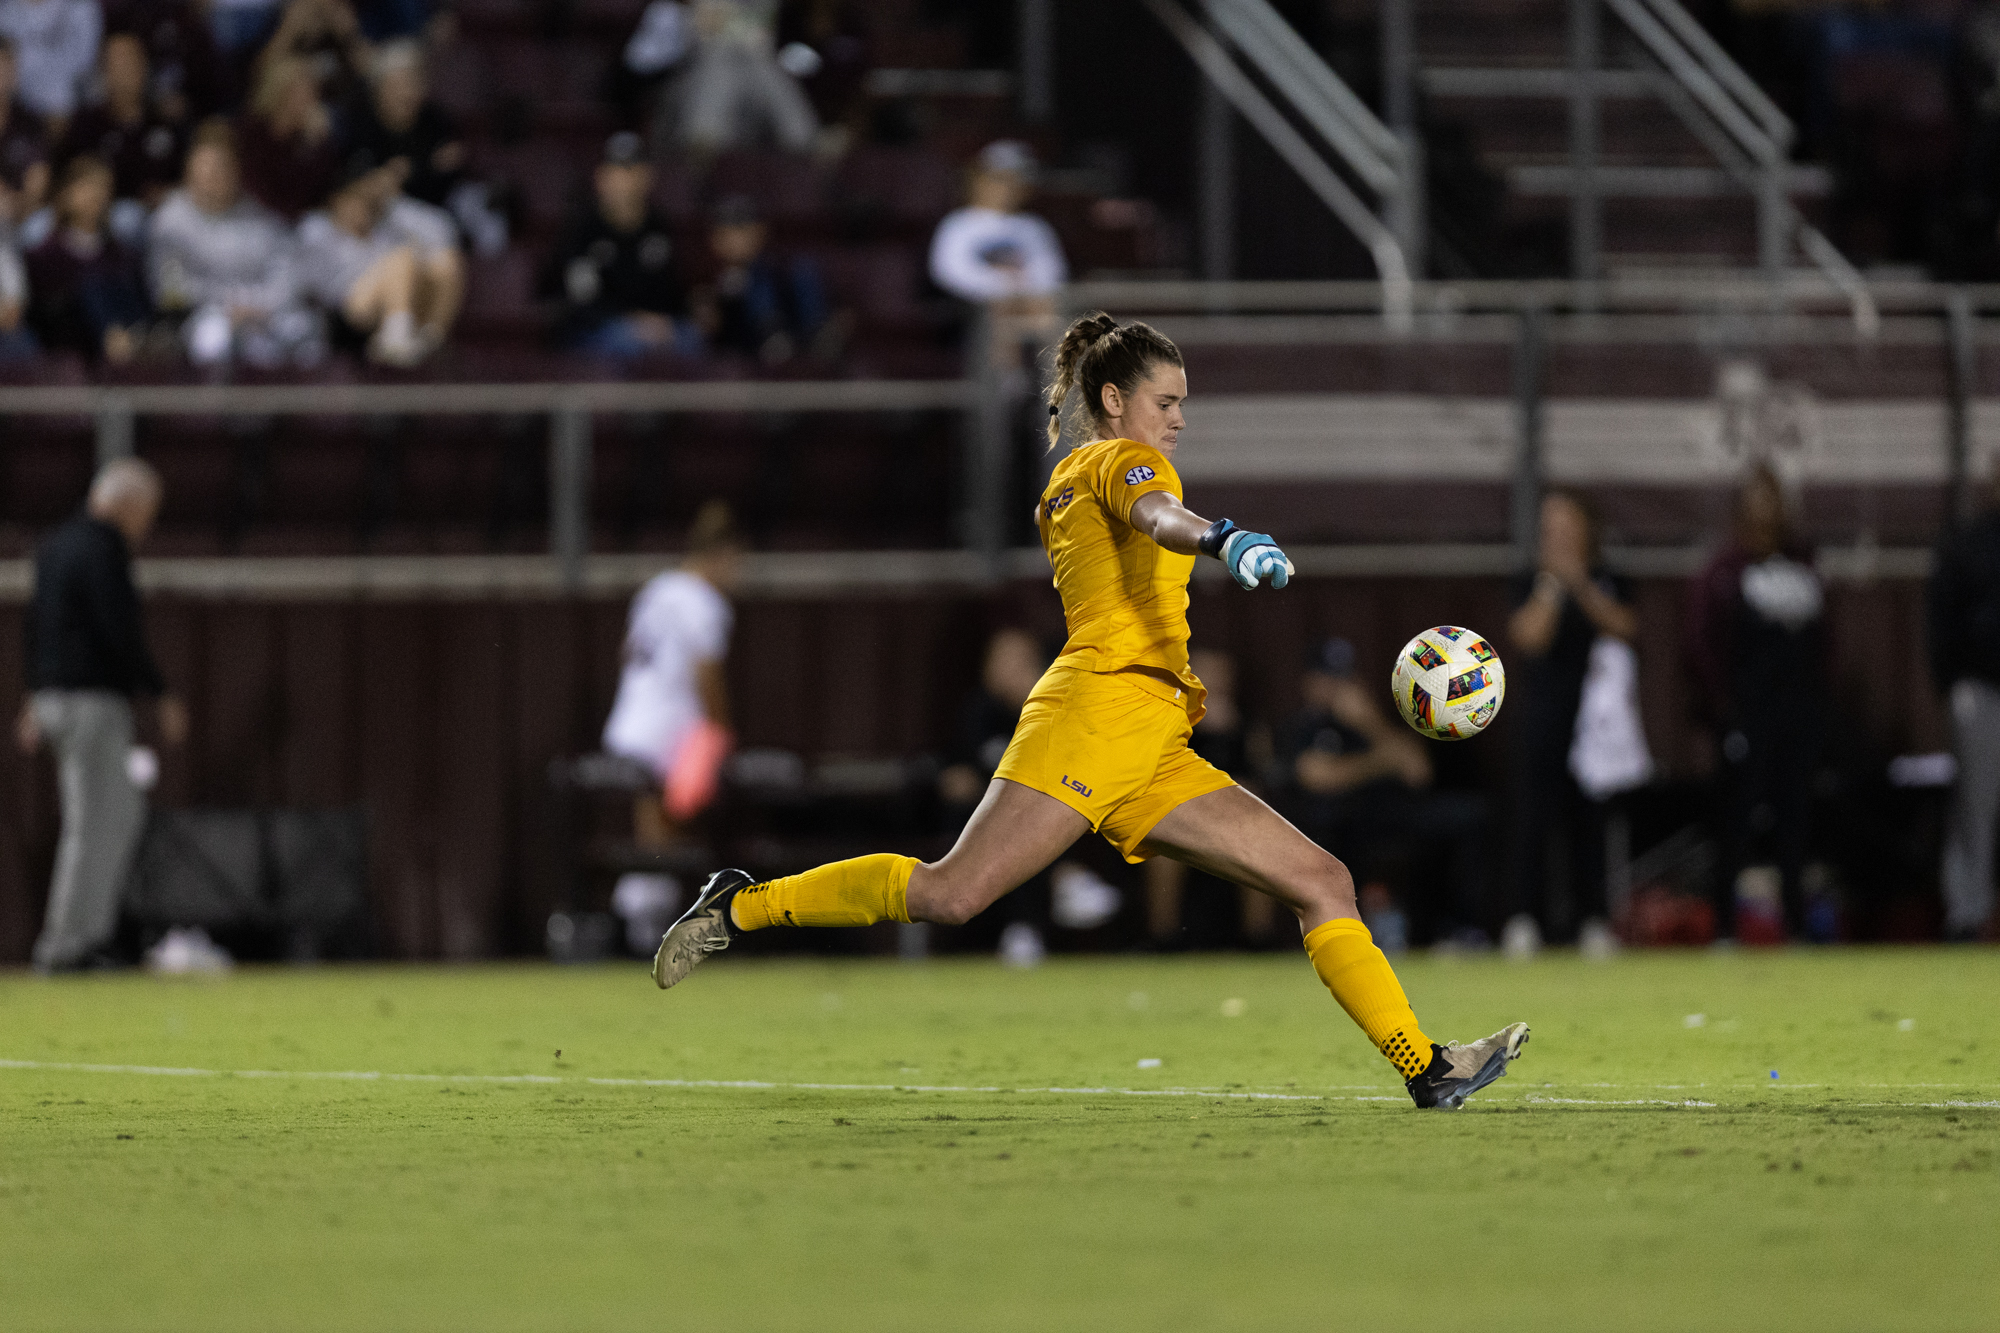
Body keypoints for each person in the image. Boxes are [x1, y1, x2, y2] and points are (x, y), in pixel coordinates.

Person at [650, 311, 1530, 1112]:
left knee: (1322, 880)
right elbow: (1162, 516)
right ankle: (742, 907)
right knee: (954, 893)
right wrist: (1223, 536)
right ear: (1114, 400)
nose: (1180, 418)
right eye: (1166, 400)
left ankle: (1428, 1067)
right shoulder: (1120, 462)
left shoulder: (1079, 473)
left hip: (1151, 736)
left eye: (1185, 402)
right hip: (1096, 714)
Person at [15, 458, 189, 973]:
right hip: (91, 702)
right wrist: (159, 692)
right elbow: (119, 628)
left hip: (56, 700)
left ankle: (85, 938)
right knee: (96, 824)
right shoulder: (105, 549)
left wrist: (34, 697)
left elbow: (36, 626)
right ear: (128, 505)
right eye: (147, 513)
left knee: (112, 817)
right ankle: (67, 947)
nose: (147, 525)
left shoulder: (55, 546)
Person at [1277, 637, 1490, 950]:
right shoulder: (1302, 727)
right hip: (1331, 826)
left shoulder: (1371, 723)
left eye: (1344, 679)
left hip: (1388, 816)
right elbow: (1321, 777)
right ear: (1310, 682)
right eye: (1328, 679)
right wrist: (1380, 763)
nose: (1337, 689)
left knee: (1467, 816)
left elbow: (1418, 771)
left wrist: (1369, 723)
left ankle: (1461, 929)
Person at [1687, 466, 1826, 943]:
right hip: (1745, 713)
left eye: (1773, 500)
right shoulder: (1725, 571)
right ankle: (1724, 926)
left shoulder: (1803, 564)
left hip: (1795, 713)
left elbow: (1824, 643)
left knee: (1794, 821)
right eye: (1756, 500)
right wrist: (1722, 709)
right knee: (1735, 821)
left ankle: (1796, 924)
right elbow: (1702, 644)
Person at [1504, 487, 1637, 958]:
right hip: (1544, 717)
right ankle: (1525, 918)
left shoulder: (1605, 577)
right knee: (1534, 819)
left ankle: (1594, 919)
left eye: (1565, 525)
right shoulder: (1531, 580)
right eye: (1549, 527)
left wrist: (1579, 582)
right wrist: (1553, 586)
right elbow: (1528, 637)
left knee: (1590, 821)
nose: (1555, 536)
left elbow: (1624, 626)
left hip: (1596, 726)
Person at [148, 118, 319, 367]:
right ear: (190, 171)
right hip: (202, 316)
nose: (213, 177)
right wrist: (228, 307)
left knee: (304, 332)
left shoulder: (258, 216)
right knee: (213, 338)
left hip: (264, 313)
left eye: (221, 169)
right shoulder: (170, 221)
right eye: (205, 169)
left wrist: (258, 306)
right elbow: (172, 290)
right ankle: (210, 405)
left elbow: (287, 273)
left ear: (236, 171)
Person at [1144, 646, 1278, 947]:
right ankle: (1163, 941)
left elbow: (1264, 779)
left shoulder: (1249, 727)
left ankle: (1260, 941)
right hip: (1181, 819)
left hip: (1237, 820)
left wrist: (1229, 734)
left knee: (1262, 839)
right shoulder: (1169, 719)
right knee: (1160, 846)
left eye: (1221, 675)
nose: (1214, 683)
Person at [297, 159, 461, 366]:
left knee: (444, 263)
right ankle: (396, 334)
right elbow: (307, 282)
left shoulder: (382, 232)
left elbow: (441, 234)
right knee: (402, 257)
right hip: (342, 310)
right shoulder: (317, 228)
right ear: (337, 199)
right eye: (356, 199)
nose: (363, 207)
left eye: (368, 202)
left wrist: (392, 199)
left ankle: (428, 340)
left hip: (381, 309)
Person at [1930, 469, 2000, 942]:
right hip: (1981, 686)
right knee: (1976, 806)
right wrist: (1949, 680)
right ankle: (1967, 913)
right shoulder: (1970, 542)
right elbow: (1942, 615)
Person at [547, 131, 686, 358]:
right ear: (601, 177)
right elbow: (580, 300)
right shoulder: (583, 229)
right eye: (616, 171)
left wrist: (664, 320)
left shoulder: (658, 227)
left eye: (630, 170)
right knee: (626, 342)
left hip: (654, 327)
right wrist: (633, 321)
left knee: (689, 338)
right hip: (594, 330)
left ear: (647, 177)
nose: (623, 181)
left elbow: (670, 290)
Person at [927, 139, 1067, 351]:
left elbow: (1051, 272)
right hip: (971, 311)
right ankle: (1006, 380)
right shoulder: (958, 223)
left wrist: (1023, 292)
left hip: (1030, 302)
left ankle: (1056, 375)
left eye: (1016, 180)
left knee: (1051, 310)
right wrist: (1001, 288)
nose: (1007, 188)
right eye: (999, 179)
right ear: (978, 179)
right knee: (1000, 310)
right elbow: (948, 271)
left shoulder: (1034, 227)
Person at [26, 153, 150, 363]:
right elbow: (44, 320)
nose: (95, 195)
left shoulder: (123, 256)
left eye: (102, 187)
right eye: (86, 186)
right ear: (65, 194)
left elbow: (140, 309)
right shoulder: (43, 257)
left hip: (131, 354)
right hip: (69, 358)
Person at [56, 32, 189, 215]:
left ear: (145, 66)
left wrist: (167, 192)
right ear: (104, 70)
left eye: (132, 60)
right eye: (118, 62)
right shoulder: (86, 123)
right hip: (102, 214)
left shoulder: (165, 121)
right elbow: (69, 178)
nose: (127, 69)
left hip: (162, 214)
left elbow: (185, 177)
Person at [692, 193, 830, 364]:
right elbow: (708, 327)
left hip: (790, 340)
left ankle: (819, 335)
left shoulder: (777, 268)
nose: (737, 240)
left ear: (759, 233)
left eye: (743, 231)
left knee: (802, 268)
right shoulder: (703, 273)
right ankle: (772, 334)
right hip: (738, 349)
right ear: (715, 239)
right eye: (729, 233)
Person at [672, 0, 817, 156]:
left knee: (770, 76)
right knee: (717, 74)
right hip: (713, 60)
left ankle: (809, 145)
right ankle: (704, 144)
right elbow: (703, 34)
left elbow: (763, 40)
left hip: (757, 63)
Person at [346, 38, 460, 207]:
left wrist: (414, 169)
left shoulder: (434, 119)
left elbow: (451, 160)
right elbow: (360, 180)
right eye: (398, 85)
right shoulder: (360, 123)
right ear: (378, 90)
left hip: (439, 202)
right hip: (380, 207)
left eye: (414, 84)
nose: (407, 94)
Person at [235, 54, 342, 219]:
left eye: (311, 90)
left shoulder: (311, 136)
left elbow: (319, 190)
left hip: (297, 219)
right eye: (300, 91)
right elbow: (258, 186)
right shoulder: (252, 130)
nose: (310, 99)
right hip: (251, 213)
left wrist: (313, 144)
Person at [0, 0, 100, 125]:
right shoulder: (4, 13)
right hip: (20, 114)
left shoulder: (81, 6)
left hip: (80, 113)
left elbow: (86, 64)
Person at [0, 37, 51, 227]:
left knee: (41, 224)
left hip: (22, 214)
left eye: (5, 66)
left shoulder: (30, 121)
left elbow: (38, 180)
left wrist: (17, 207)